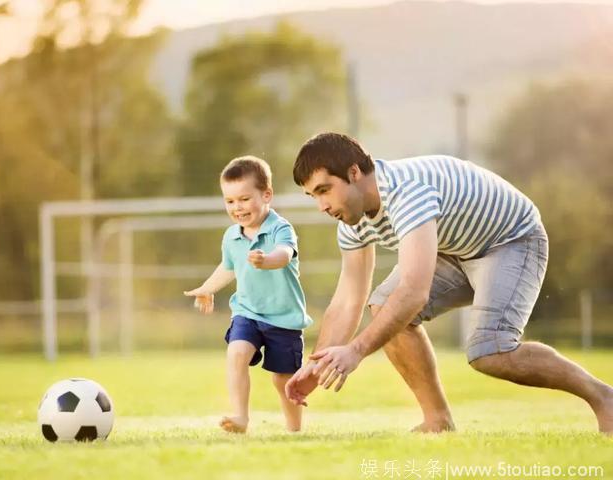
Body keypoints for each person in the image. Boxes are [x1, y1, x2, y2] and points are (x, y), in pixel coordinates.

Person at [284, 132, 613, 434]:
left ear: (354, 173)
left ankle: (604, 396)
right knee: (384, 306)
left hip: (510, 240)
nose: (322, 206)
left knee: (491, 352)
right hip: (454, 248)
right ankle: (437, 420)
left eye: (324, 190)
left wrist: (356, 350)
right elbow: (347, 300)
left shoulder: (406, 192)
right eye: (313, 195)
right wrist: (317, 365)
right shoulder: (352, 221)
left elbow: (414, 292)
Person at [185, 155, 312, 433]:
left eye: (244, 199)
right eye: (230, 201)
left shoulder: (281, 228)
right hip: (248, 312)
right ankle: (240, 417)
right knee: (237, 352)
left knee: (283, 380)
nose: (237, 207)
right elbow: (228, 266)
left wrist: (267, 260)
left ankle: (294, 429)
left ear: (266, 195)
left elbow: (284, 254)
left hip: (284, 318)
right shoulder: (231, 235)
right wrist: (208, 288)